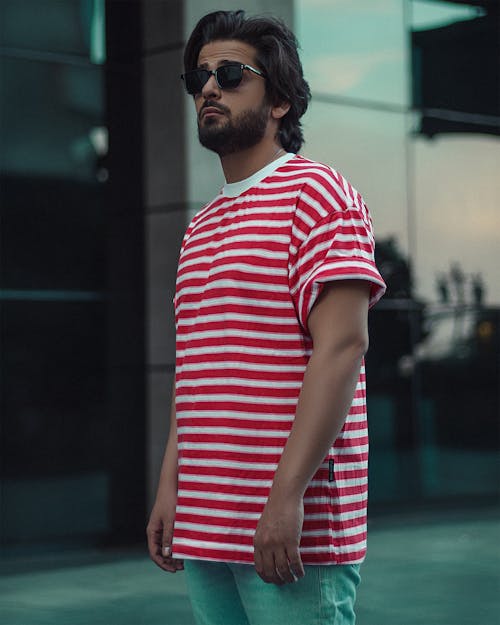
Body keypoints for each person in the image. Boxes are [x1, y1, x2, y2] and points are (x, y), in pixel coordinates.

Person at [147, 10, 386, 625]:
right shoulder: (199, 226)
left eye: (230, 74)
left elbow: (343, 348)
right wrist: (173, 486)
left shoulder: (318, 192)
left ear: (279, 100)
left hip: (288, 528)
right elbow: (197, 372)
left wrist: (287, 496)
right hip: (206, 522)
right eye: (198, 77)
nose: (208, 89)